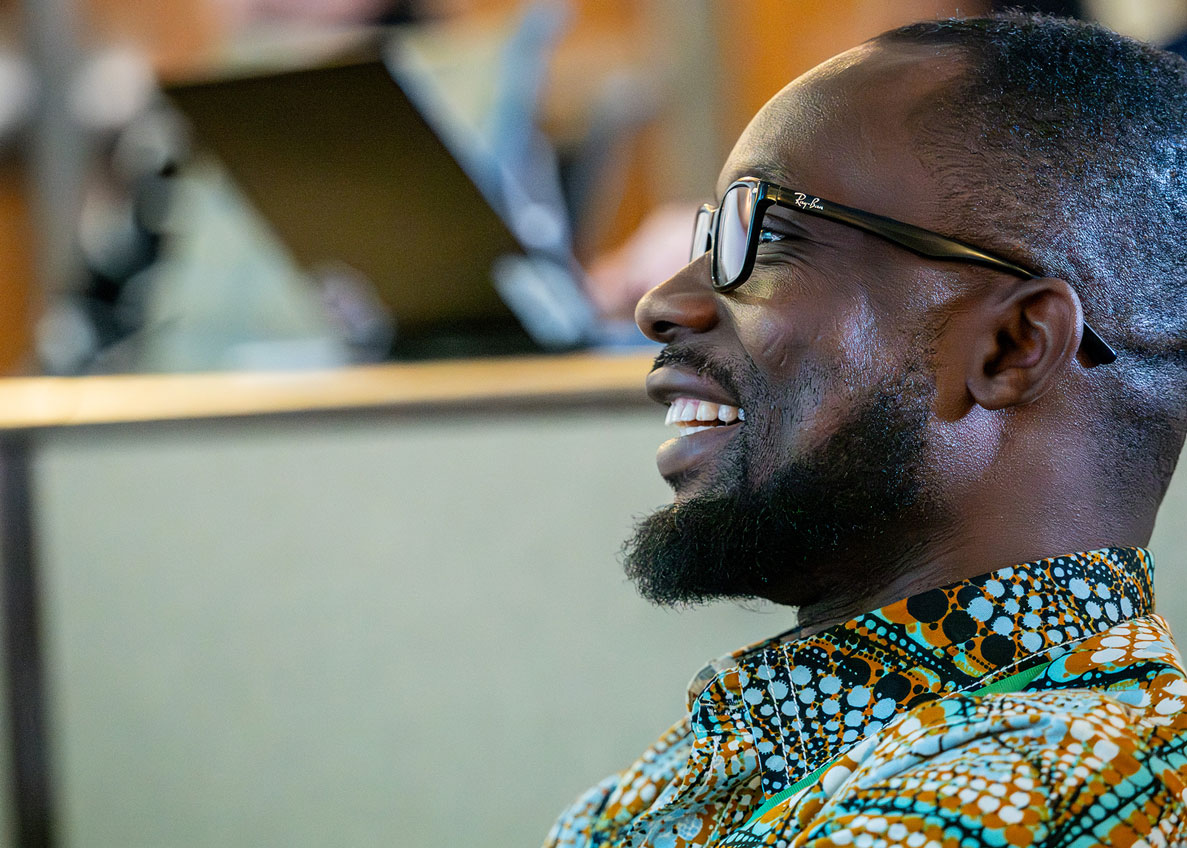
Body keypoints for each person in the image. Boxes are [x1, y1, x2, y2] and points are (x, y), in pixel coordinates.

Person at [544, 12, 1187, 848]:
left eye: (762, 235)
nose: (662, 302)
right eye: (709, 236)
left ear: (1009, 345)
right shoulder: (765, 754)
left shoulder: (1029, 789)